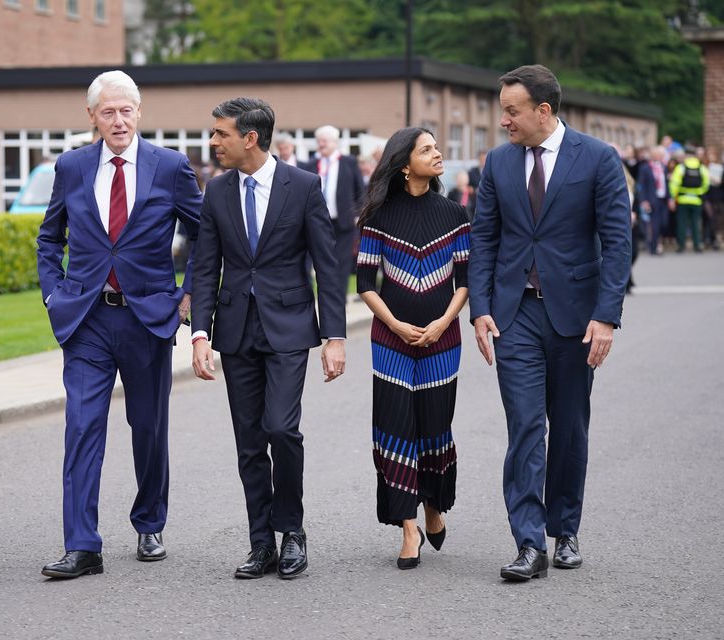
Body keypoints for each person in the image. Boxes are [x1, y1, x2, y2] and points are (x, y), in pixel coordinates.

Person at [468, 65, 630, 581]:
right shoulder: (497, 162)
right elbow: (485, 238)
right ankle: (529, 542)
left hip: (575, 317)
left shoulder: (599, 159)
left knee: (569, 426)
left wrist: (606, 316)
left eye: (512, 111)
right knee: (524, 425)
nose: (504, 121)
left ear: (544, 110)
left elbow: (618, 242)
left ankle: (565, 528)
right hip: (515, 314)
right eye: (502, 112)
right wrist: (482, 308)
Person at [37, 70, 201, 579]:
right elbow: (49, 238)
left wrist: (188, 293)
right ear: (92, 117)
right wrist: (53, 293)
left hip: (147, 319)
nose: (118, 120)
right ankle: (82, 544)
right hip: (86, 319)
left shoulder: (170, 167)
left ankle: (149, 522)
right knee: (82, 427)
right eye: (107, 111)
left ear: (139, 112)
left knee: (148, 429)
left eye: (126, 110)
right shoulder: (71, 166)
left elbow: (204, 235)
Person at [191, 97, 346, 580]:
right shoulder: (216, 193)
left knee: (281, 428)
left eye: (221, 134)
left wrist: (334, 335)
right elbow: (204, 267)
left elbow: (328, 264)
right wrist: (199, 332)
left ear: (250, 138)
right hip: (236, 329)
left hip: (289, 326)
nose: (213, 142)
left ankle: (292, 532)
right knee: (249, 440)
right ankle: (262, 544)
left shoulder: (302, 187)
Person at [356, 128, 469, 569]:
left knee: (435, 425)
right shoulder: (378, 218)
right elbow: (365, 283)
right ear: (405, 163)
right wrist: (397, 325)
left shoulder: (456, 214)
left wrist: (443, 322)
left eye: (436, 147)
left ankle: (433, 505)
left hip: (443, 340)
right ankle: (407, 525)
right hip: (391, 341)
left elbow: (465, 281)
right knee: (394, 426)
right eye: (427, 149)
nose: (438, 154)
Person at [301, 125, 365, 296]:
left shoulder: (349, 162)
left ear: (334, 143)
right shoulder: (311, 164)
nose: (320, 144)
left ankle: (339, 297)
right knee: (320, 260)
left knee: (341, 262)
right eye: (319, 141)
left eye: (324, 141)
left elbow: (360, 190)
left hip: (343, 221)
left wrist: (358, 214)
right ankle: (323, 294)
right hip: (318, 222)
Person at [668, 146, 710, 252]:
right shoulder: (702, 167)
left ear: (686, 155)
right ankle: (697, 245)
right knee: (696, 223)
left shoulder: (681, 167)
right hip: (697, 200)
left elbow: (674, 184)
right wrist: (700, 192)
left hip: (682, 200)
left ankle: (681, 246)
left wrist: (673, 196)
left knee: (682, 223)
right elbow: (706, 184)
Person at [636, 146, 669, 255]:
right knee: (654, 225)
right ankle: (653, 247)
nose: (659, 156)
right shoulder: (645, 168)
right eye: (657, 154)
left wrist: (670, 198)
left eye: (661, 154)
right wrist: (644, 200)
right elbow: (641, 185)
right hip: (651, 200)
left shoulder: (664, 167)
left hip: (663, 199)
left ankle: (658, 243)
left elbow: (667, 184)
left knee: (664, 223)